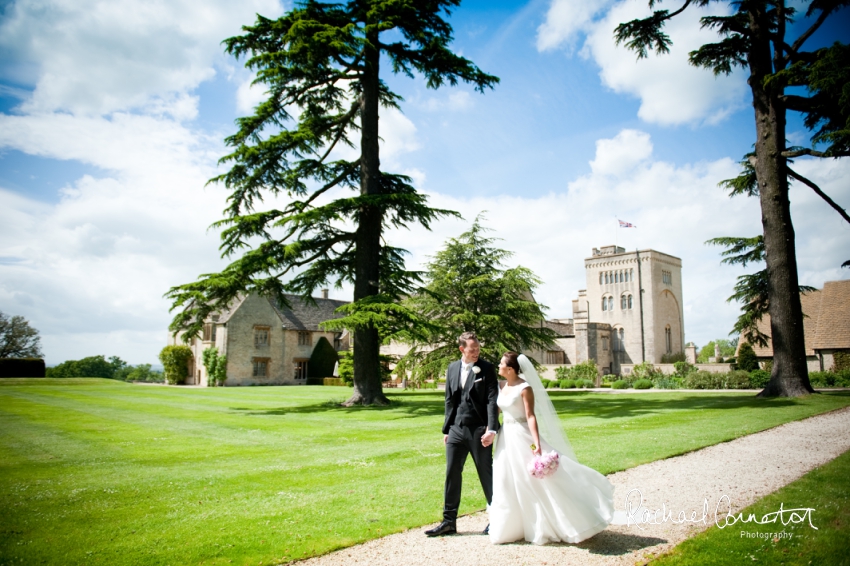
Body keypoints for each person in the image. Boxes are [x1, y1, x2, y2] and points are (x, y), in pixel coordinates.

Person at [487, 352, 615, 545]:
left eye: (501, 364)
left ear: (511, 369)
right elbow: (495, 410)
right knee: (506, 479)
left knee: (530, 481)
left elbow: (530, 416)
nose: (498, 366)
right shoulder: (502, 386)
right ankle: (511, 527)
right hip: (506, 438)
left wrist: (536, 442)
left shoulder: (524, 388)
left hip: (522, 436)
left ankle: (552, 522)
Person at [425, 332, 500, 537]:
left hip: (479, 430)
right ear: (462, 349)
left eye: (478, 348)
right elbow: (450, 400)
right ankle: (449, 521)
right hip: (456, 430)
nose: (476, 352)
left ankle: (498, 520)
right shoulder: (452, 368)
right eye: (472, 349)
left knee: (486, 475)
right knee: (451, 474)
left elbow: (492, 400)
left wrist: (491, 429)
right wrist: (447, 429)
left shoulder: (486, 369)